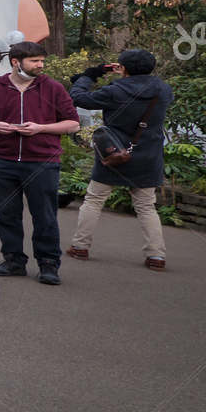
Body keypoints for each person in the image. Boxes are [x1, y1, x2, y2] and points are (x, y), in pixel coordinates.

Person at [0, 41, 81, 285]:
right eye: (35, 61)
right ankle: (13, 261)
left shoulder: (53, 88)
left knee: (45, 216)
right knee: (6, 215)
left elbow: (73, 123)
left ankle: (48, 265)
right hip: (2, 161)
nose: (40, 65)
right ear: (15, 62)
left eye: (42, 61)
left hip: (42, 162)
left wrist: (41, 128)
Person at [66, 49, 174, 270]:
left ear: (122, 68)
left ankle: (80, 246)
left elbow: (78, 97)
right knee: (146, 206)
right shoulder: (163, 89)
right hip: (148, 156)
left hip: (113, 154)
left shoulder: (115, 91)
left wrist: (91, 74)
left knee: (94, 200)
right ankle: (156, 256)